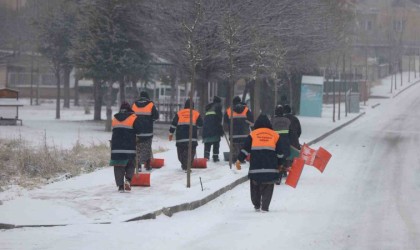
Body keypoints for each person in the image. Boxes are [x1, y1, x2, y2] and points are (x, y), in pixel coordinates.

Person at [236, 114, 290, 212]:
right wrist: (281, 164)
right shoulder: (275, 135)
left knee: (255, 186)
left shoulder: (253, 134)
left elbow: (245, 149)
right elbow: (280, 153)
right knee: (268, 186)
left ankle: (256, 205)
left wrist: (239, 160)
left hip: (255, 168)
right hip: (271, 168)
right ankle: (265, 206)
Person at [109, 102, 141, 192]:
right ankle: (128, 180)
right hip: (129, 148)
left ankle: (120, 186)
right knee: (131, 164)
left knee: (118, 166)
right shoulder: (133, 118)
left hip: (116, 148)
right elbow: (139, 131)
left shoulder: (115, 118)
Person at [169, 99, 203, 171]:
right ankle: (187, 165)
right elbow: (201, 124)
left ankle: (185, 164)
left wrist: (170, 133)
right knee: (191, 152)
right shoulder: (196, 113)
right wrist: (195, 127)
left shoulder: (180, 113)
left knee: (181, 153)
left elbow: (173, 124)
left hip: (180, 139)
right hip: (192, 138)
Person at [131, 91, 159, 171]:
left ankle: (138, 165)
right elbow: (156, 116)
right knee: (147, 147)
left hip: (136, 132)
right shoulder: (151, 104)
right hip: (148, 131)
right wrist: (150, 121)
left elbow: (131, 116)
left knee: (138, 148)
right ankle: (147, 164)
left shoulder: (134, 105)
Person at [223, 96, 254, 163]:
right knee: (243, 148)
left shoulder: (229, 110)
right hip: (245, 134)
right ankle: (242, 159)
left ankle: (234, 158)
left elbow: (225, 121)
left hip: (233, 134)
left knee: (234, 148)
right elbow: (251, 121)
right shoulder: (246, 110)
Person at [270, 105, 291, 184]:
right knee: (284, 157)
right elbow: (290, 131)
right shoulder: (287, 120)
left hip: (275, 142)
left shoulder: (272, 120)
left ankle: (277, 175)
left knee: (276, 159)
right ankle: (284, 171)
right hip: (285, 142)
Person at [202, 96, 224, 162]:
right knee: (216, 142)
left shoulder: (208, 108)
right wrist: (220, 129)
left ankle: (206, 156)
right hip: (215, 128)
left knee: (207, 143)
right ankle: (215, 157)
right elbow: (219, 119)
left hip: (206, 128)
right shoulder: (218, 106)